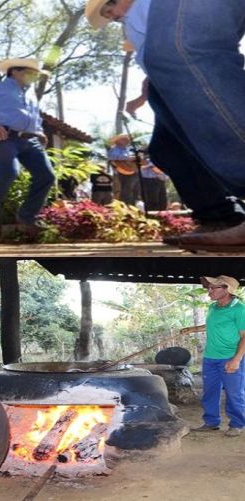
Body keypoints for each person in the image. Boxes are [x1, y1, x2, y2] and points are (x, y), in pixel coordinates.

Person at [85, 0, 245, 250]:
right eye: (109, 15)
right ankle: (219, 217)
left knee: (176, 50)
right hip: (165, 76)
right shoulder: (137, 26)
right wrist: (147, 89)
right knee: (167, 148)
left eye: (113, 4)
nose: (114, 14)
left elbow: (176, 50)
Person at [0, 58, 55, 239]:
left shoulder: (31, 94)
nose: (34, 77)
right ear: (14, 71)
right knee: (7, 172)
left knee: (46, 175)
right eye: (30, 72)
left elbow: (34, 117)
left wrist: (40, 132)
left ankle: (27, 217)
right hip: (2, 136)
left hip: (30, 140)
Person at [184, 276, 245, 437]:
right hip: (210, 357)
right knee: (210, 392)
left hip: (230, 357)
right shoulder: (213, 307)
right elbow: (214, 324)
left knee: (234, 393)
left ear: (227, 290)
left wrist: (236, 359)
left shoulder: (239, 309)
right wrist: (193, 329)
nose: (209, 291)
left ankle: (237, 424)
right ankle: (211, 422)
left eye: (213, 288)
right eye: (208, 288)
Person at [106, 134, 140, 206]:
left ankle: (130, 206)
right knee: (122, 190)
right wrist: (128, 158)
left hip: (131, 172)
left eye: (128, 139)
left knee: (131, 190)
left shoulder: (128, 149)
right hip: (120, 172)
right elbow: (112, 157)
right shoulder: (114, 148)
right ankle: (123, 206)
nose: (127, 140)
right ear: (118, 140)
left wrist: (135, 158)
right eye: (124, 139)